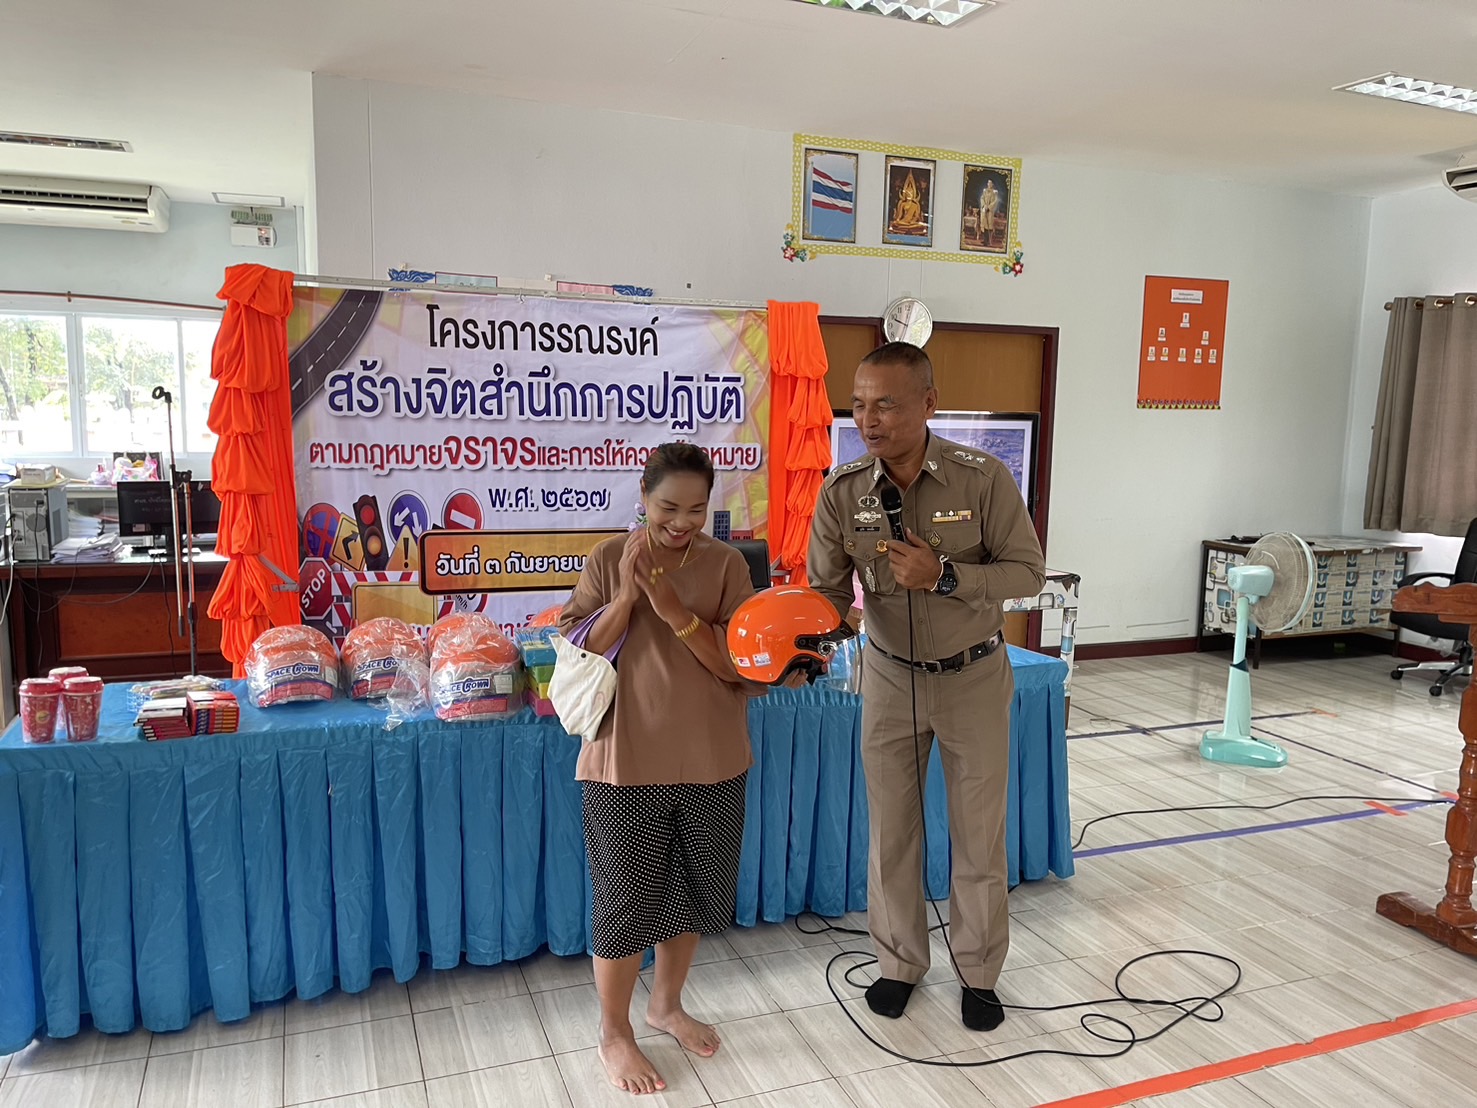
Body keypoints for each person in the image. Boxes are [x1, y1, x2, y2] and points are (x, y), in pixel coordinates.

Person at [807, 342, 1046, 1032]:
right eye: (859, 404)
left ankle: (979, 974)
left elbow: (1027, 574)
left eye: (885, 403)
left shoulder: (981, 479)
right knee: (890, 834)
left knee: (978, 836)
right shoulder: (842, 491)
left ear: (928, 404)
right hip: (887, 678)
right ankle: (898, 963)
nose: (869, 419)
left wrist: (944, 576)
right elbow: (826, 594)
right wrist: (812, 632)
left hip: (972, 677)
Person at [560, 442, 775, 1096]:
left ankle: (666, 1005)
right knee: (625, 904)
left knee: (692, 892)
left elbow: (740, 665)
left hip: (714, 759)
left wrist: (675, 612)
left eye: (695, 510)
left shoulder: (727, 565)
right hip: (624, 760)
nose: (681, 522)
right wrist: (628, 596)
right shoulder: (608, 558)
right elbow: (579, 649)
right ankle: (614, 1032)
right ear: (643, 498)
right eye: (667, 508)